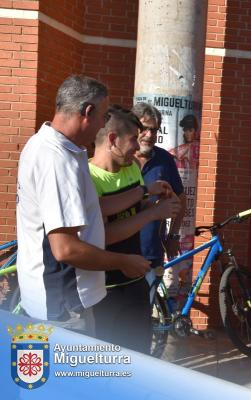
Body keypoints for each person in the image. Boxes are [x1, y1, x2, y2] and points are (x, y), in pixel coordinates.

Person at [16, 75, 150, 334]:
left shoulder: (54, 147)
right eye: (102, 116)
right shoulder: (56, 160)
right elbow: (65, 249)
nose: (102, 124)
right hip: (64, 305)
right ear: (87, 112)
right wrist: (123, 261)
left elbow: (92, 209)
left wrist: (144, 196)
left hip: (62, 301)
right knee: (73, 374)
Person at [88, 105, 181, 353]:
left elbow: (134, 212)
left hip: (136, 279)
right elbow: (103, 235)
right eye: (133, 140)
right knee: (105, 362)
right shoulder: (88, 177)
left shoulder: (131, 168)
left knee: (137, 356)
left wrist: (157, 201)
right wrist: (154, 212)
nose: (138, 147)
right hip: (105, 288)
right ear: (112, 139)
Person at [132, 102, 186, 299]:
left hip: (151, 253)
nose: (149, 135)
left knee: (143, 314)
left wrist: (172, 236)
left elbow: (180, 200)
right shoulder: (120, 159)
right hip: (118, 254)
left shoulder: (164, 159)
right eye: (144, 128)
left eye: (154, 130)